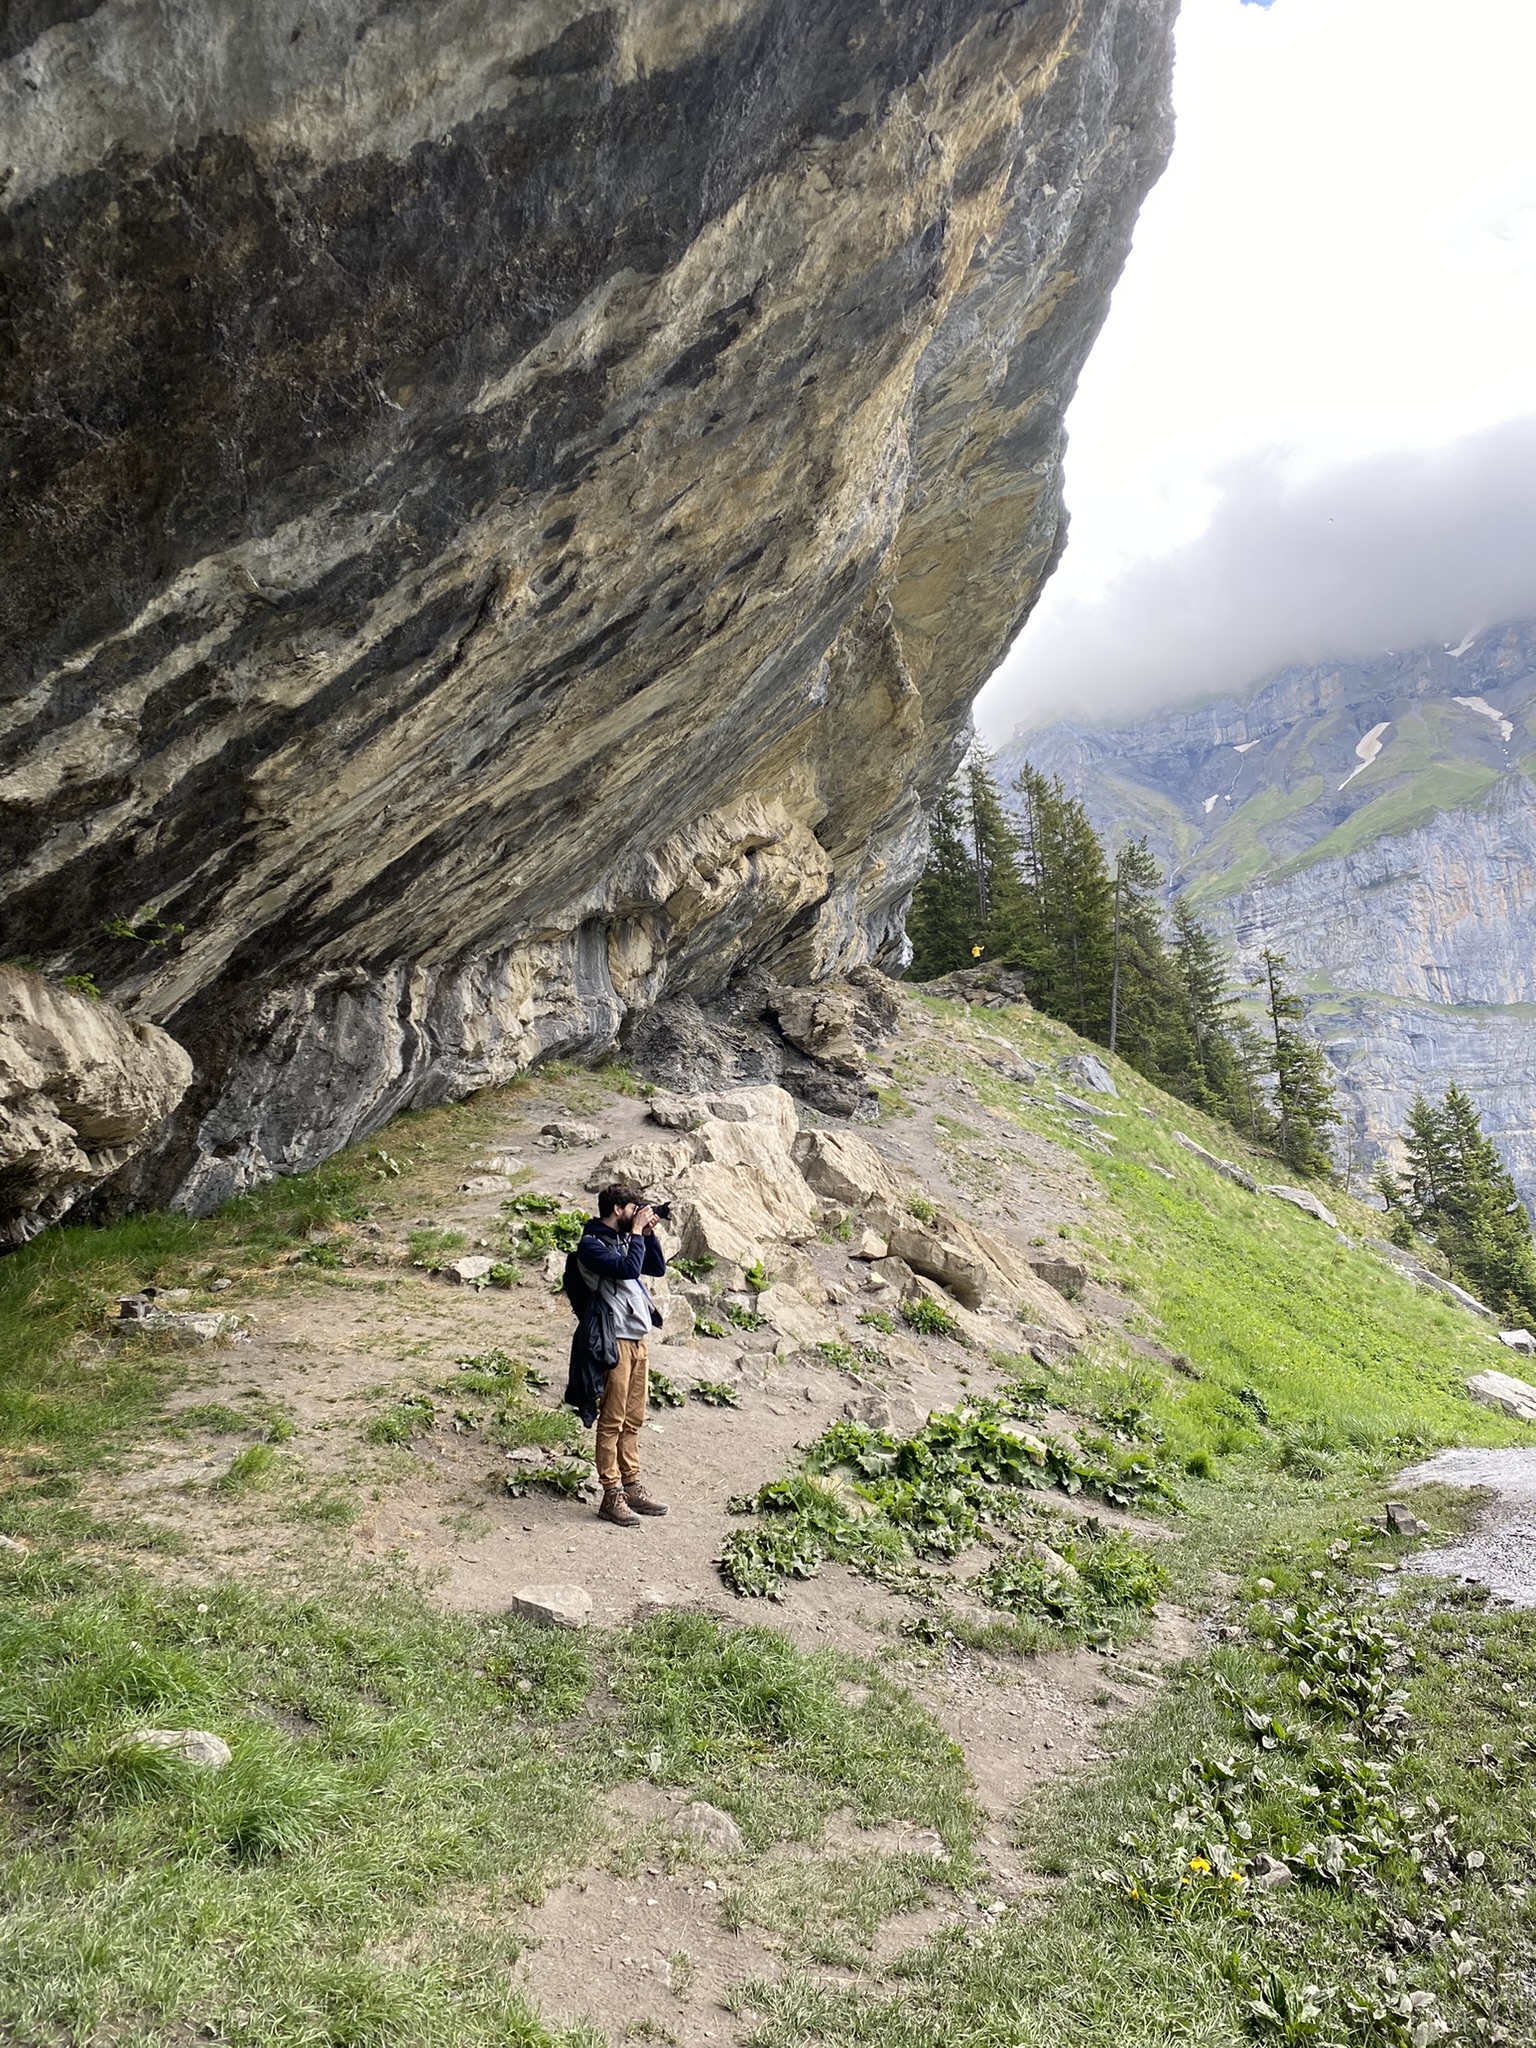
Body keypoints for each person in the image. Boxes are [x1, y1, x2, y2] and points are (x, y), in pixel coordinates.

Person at [569, 1184, 670, 1528]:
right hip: (614, 1341)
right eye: (632, 1208)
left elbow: (655, 1268)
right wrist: (637, 1232)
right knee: (612, 1418)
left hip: (638, 1340)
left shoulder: (626, 1239)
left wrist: (647, 1234)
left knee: (633, 1417)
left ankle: (631, 1484)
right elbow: (627, 1270)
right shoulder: (591, 1244)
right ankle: (611, 1494)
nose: (636, 1213)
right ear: (616, 1209)